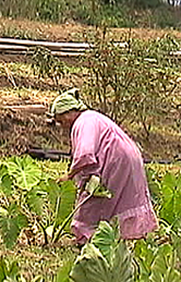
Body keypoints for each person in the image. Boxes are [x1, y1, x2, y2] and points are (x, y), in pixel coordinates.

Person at [48, 88, 158, 245]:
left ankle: (86, 239)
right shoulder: (92, 117)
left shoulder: (83, 121)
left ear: (70, 111)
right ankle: (118, 238)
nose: (62, 124)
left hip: (116, 162)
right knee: (119, 199)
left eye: (61, 119)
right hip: (128, 158)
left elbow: (85, 154)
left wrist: (70, 175)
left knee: (94, 198)